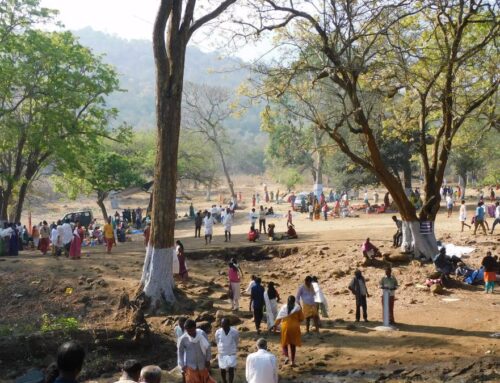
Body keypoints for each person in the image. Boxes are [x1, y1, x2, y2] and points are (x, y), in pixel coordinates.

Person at [272, 295, 304, 366]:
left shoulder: (283, 308)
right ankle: (292, 362)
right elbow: (301, 318)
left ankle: (286, 356)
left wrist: (274, 328)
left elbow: (279, 318)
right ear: (294, 301)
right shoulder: (298, 308)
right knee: (293, 345)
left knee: (284, 343)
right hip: (295, 327)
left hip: (285, 327)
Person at [214, 318, 239, 383]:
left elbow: (236, 341)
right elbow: (217, 341)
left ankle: (230, 382)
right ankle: (224, 381)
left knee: (231, 369)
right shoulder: (218, 332)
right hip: (222, 353)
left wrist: (233, 348)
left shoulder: (234, 332)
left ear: (229, 325)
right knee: (222, 369)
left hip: (231, 352)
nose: (223, 326)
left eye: (225, 325)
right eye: (222, 324)